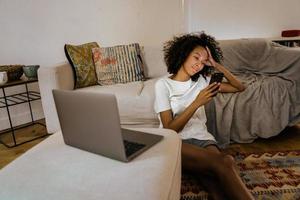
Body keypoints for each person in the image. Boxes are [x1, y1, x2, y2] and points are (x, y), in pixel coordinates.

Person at [154, 32, 254, 200]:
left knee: (215, 178)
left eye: (203, 61)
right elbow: (169, 129)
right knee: (225, 162)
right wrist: (197, 102)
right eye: (196, 57)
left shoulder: (202, 81)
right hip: (177, 141)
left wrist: (217, 66)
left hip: (202, 138)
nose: (199, 65)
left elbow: (239, 87)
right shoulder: (163, 85)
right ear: (183, 54)